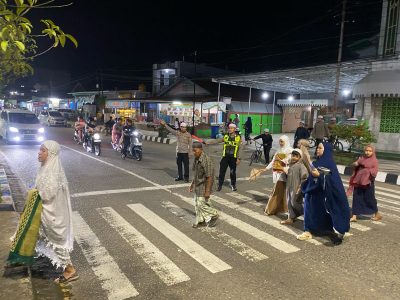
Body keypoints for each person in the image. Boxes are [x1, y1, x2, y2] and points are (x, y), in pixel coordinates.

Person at [7, 141, 77, 283]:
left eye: (42, 150)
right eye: (39, 150)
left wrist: (33, 192)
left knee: (56, 242)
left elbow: (46, 194)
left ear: (50, 154)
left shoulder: (52, 172)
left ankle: (70, 270)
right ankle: (22, 256)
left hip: (52, 214)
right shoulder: (46, 167)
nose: (39, 153)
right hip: (44, 211)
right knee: (31, 234)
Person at [297, 142, 350, 245]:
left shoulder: (326, 162)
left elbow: (316, 174)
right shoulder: (324, 161)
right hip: (318, 191)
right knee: (318, 211)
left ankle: (307, 231)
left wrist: (308, 159)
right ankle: (319, 229)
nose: (318, 150)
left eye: (320, 148)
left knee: (310, 210)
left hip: (317, 191)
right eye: (317, 148)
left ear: (326, 150)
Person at [348, 144, 382, 222]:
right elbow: (356, 163)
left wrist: (368, 171)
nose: (367, 152)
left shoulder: (374, 161)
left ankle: (377, 214)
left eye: (370, 151)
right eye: (366, 150)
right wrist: (355, 164)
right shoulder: (362, 158)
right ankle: (354, 216)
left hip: (368, 182)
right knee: (356, 197)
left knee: (370, 199)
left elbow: (375, 172)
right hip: (358, 180)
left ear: (373, 152)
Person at [206, 123, 243, 191]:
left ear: (234, 129)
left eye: (231, 128)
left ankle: (233, 185)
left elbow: (240, 148)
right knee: (222, 172)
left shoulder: (238, 138)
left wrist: (239, 158)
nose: (230, 129)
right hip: (225, 157)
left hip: (233, 158)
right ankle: (220, 185)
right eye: (229, 128)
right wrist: (208, 142)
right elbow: (217, 141)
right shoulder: (225, 136)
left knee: (232, 172)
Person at [189, 142, 219, 228]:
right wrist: (192, 184)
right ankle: (200, 221)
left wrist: (207, 191)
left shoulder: (206, 160)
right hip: (199, 183)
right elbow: (196, 173)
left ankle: (214, 214)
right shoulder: (197, 158)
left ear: (201, 150)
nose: (194, 153)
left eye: (195, 151)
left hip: (205, 184)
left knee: (200, 203)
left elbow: (209, 177)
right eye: (193, 151)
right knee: (197, 204)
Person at [264, 135, 292, 215]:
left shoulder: (290, 151)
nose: (280, 143)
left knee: (276, 192)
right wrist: (266, 168)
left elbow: (289, 162)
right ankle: (283, 208)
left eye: (282, 141)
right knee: (283, 192)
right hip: (277, 172)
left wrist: (281, 159)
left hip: (284, 174)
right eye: (280, 141)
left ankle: (270, 209)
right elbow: (273, 161)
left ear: (286, 141)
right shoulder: (278, 150)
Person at [280, 149, 308, 225]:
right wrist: (285, 171)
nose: (294, 157)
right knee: (288, 201)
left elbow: (304, 177)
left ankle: (305, 212)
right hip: (289, 186)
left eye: (296, 156)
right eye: (293, 155)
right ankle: (291, 217)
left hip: (296, 187)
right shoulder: (289, 164)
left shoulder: (301, 166)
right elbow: (287, 175)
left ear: (300, 157)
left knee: (294, 202)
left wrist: (300, 187)